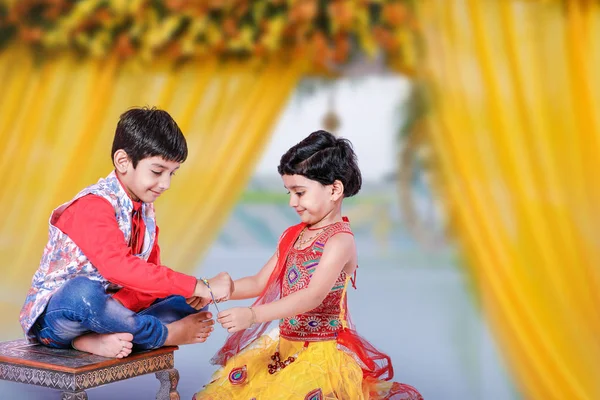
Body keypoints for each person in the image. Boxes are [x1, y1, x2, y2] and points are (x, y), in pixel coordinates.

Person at [194, 130, 422, 399]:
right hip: (282, 346)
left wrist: (253, 316)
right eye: (289, 192)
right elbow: (259, 282)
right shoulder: (294, 235)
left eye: (299, 192)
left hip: (320, 354)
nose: (292, 202)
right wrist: (208, 289)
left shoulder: (340, 241)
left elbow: (312, 296)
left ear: (335, 189)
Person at [19, 107, 233, 359]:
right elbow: (118, 268)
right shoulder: (93, 205)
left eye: (172, 173)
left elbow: (149, 276)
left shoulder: (145, 211)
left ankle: (100, 337)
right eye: (157, 171)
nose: (165, 184)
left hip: (109, 311)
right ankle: (160, 335)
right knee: (83, 292)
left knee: (190, 301)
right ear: (122, 161)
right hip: (62, 316)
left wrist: (199, 290)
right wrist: (197, 285)